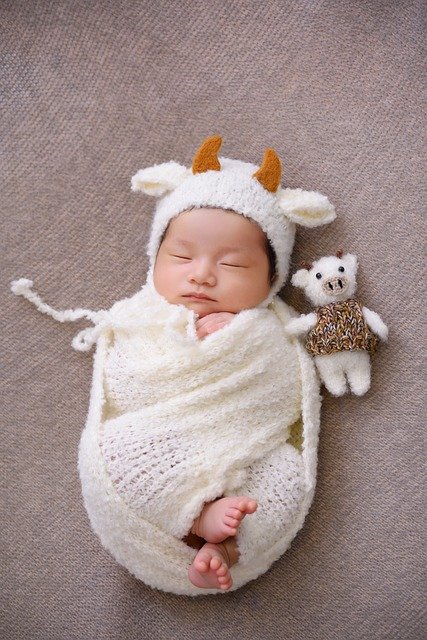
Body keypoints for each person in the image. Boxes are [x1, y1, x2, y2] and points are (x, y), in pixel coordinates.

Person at [152, 205, 277, 590]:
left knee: (284, 482)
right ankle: (195, 517)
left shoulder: (271, 329)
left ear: (273, 279)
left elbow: (283, 388)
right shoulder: (140, 319)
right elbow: (129, 382)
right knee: (115, 456)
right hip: (166, 440)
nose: (201, 275)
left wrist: (240, 341)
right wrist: (189, 346)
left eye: (233, 265)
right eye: (182, 257)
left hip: (245, 447)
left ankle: (225, 551)